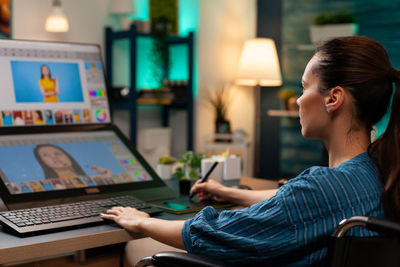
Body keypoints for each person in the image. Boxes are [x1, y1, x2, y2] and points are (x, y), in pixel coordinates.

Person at [102, 36, 400, 266]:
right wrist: (231, 193)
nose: (297, 101)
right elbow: (296, 199)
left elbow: (211, 232)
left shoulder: (323, 188)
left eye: (304, 88)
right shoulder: (378, 169)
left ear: (333, 98)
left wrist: (141, 220)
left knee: (137, 247)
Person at [33, 144, 112, 180]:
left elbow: (107, 177)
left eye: (57, 153)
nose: (54, 157)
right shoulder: (51, 184)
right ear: (42, 161)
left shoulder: (88, 179)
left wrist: (105, 172)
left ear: (68, 156)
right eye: (46, 155)